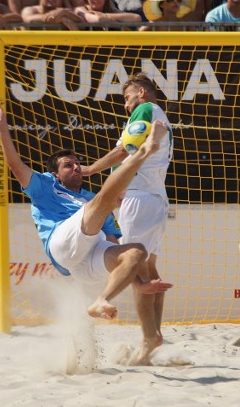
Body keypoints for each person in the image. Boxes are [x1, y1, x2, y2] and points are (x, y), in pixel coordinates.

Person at [0, 98, 173, 363]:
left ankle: (101, 300)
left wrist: (140, 283)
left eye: (77, 163)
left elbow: (114, 245)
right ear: (56, 174)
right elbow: (14, 164)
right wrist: (1, 125)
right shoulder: (43, 185)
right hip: (61, 245)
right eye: (68, 165)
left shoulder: (88, 196)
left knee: (136, 251)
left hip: (84, 261)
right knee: (105, 199)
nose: (76, 168)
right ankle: (145, 150)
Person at [82, 73, 174, 365]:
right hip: (155, 198)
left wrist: (89, 171)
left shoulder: (145, 109)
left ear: (142, 92)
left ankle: (146, 334)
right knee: (149, 269)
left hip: (141, 197)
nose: (125, 105)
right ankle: (153, 336)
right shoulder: (156, 115)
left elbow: (125, 152)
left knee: (134, 264)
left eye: (127, 97)